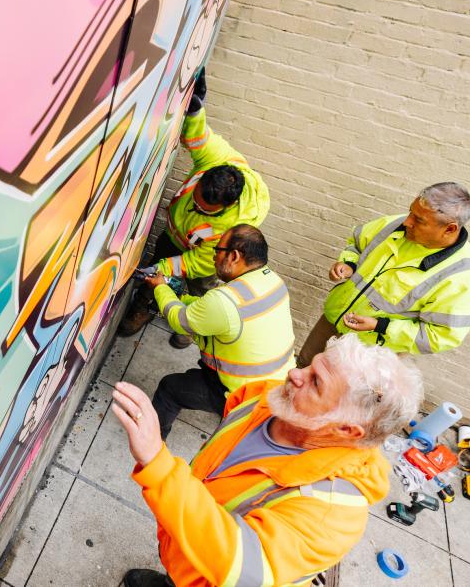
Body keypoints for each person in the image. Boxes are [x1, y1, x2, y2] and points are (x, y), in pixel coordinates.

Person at [110, 334, 423, 587]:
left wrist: (158, 465)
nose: (294, 374)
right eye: (308, 366)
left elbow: (241, 568)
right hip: (187, 548)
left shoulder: (332, 516)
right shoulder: (280, 400)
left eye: (315, 382)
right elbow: (236, 407)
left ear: (345, 429)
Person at [118, 69, 270, 348]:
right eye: (195, 199)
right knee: (160, 261)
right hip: (177, 236)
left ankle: (191, 327)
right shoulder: (221, 164)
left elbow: (193, 263)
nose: (195, 206)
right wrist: (196, 108)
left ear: (226, 206)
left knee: (200, 288)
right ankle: (144, 306)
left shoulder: (230, 230)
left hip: (207, 257)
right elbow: (201, 138)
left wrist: (161, 269)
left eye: (203, 208)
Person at [297, 182, 470, 368]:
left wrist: (380, 326)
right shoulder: (394, 225)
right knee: (301, 372)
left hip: (371, 352)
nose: (407, 221)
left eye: (419, 220)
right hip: (332, 322)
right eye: (411, 212)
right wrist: (349, 263)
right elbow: (356, 244)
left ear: (450, 229)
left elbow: (440, 336)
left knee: (336, 396)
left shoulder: (464, 279)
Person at [145, 224, 295, 438]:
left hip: (241, 394)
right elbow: (215, 312)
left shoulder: (224, 301)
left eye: (217, 252)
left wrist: (160, 288)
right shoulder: (273, 281)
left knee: (170, 389)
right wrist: (182, 298)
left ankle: (151, 443)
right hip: (277, 386)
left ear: (234, 256)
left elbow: (180, 320)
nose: (214, 258)